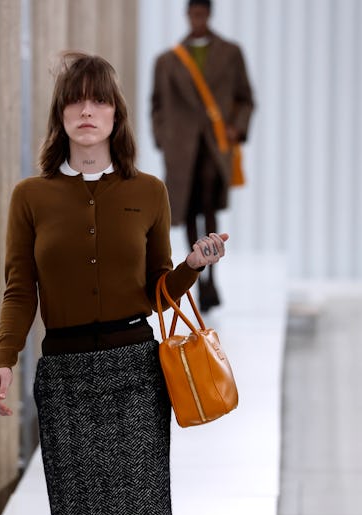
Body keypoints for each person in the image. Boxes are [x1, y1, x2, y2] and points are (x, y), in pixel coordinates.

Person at [0, 51, 227, 515]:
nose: (87, 112)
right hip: (64, 376)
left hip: (133, 372)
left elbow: (158, 288)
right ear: (62, 118)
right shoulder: (31, 196)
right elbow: (19, 287)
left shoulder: (147, 191)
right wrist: (3, 359)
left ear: (116, 117)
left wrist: (192, 266)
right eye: (75, 102)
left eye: (99, 102)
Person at [151, 0, 254, 311]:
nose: (198, 19)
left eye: (202, 13)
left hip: (214, 146)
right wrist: (162, 139)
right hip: (181, 149)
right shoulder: (167, 61)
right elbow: (156, 106)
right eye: (193, 14)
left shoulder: (230, 53)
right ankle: (199, 278)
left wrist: (237, 128)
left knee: (208, 203)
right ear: (188, 15)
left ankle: (211, 279)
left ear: (208, 14)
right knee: (190, 208)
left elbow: (245, 98)